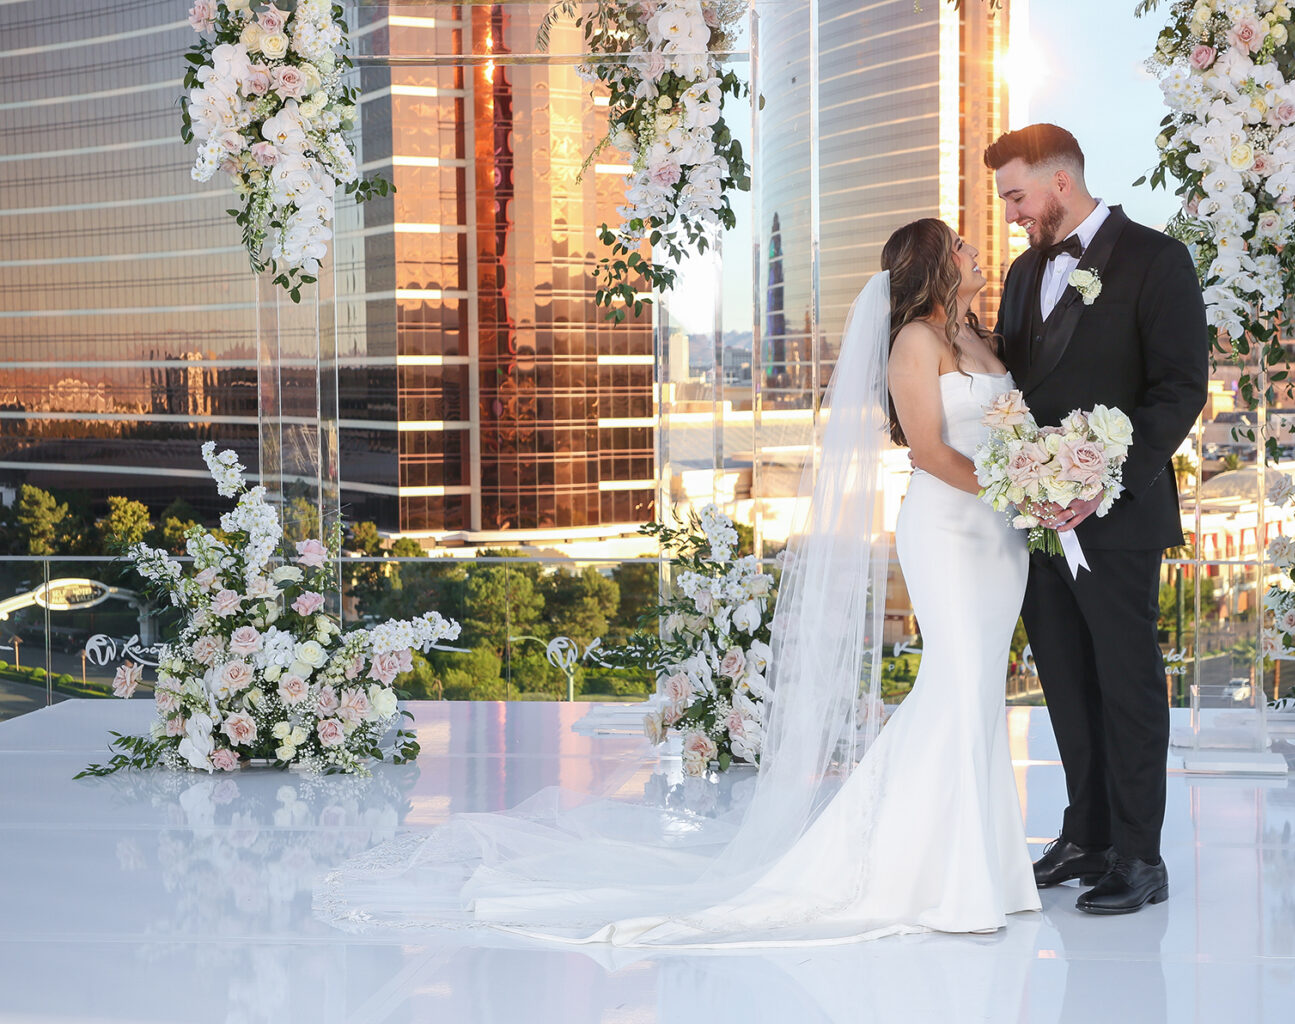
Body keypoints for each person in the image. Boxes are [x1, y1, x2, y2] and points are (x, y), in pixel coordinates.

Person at [322, 218, 1040, 946]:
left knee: (979, 691)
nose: (974, 250)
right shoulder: (914, 342)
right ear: (930, 264)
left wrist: (1031, 486)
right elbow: (928, 451)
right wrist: (1018, 489)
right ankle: (928, 873)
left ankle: (988, 869)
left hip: (1000, 539)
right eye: (959, 245)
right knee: (952, 686)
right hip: (953, 529)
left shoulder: (983, 339)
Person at [987, 123, 1209, 915]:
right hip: (1037, 517)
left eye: (1016, 195)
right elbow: (1014, 384)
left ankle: (1141, 857)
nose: (1011, 212)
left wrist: (1101, 479)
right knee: (1065, 682)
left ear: (1059, 181)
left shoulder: (1156, 259)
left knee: (1128, 684)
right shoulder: (1021, 273)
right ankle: (1086, 833)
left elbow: (1181, 388)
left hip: (1116, 517)